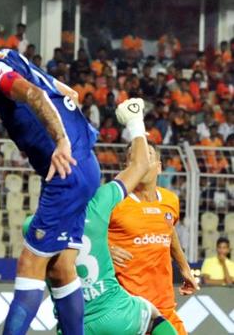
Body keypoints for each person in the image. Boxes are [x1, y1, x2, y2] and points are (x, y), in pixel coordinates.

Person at [0, 24, 100, 335]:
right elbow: (66, 92)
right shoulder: (8, 55)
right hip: (86, 165)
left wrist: (61, 140)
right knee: (62, 268)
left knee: (29, 265)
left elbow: (33, 93)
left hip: (66, 168)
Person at [24, 98, 179, 334]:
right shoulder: (100, 202)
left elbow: (32, 284)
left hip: (76, 322)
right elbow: (138, 165)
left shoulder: (33, 225)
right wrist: (135, 121)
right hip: (116, 311)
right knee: (152, 315)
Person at [109, 138, 200, 335]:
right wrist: (105, 249)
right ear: (127, 167)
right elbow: (80, 234)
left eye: (146, 156)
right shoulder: (112, 201)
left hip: (164, 307)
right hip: (127, 309)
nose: (140, 161)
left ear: (158, 167)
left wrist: (185, 268)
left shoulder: (170, 200)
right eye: (134, 158)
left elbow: (169, 230)